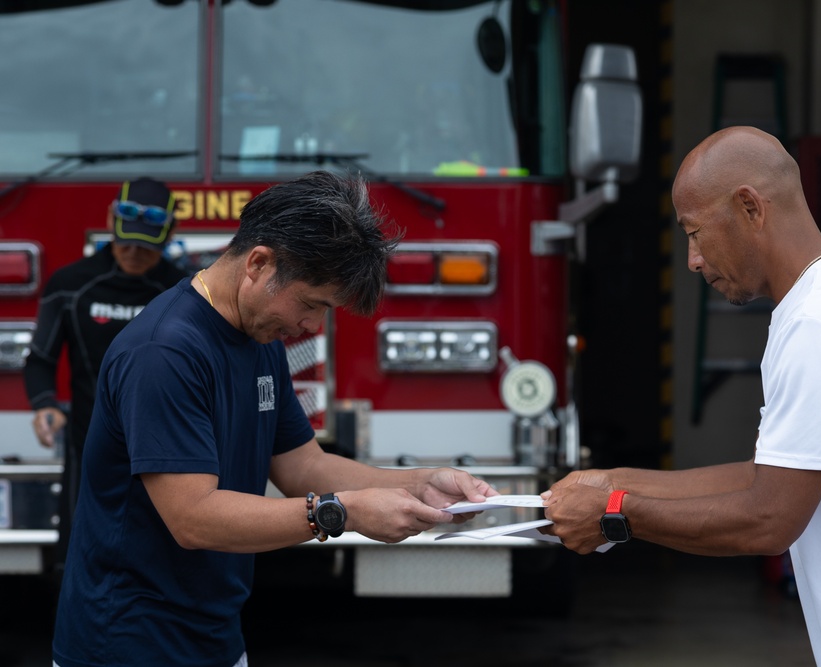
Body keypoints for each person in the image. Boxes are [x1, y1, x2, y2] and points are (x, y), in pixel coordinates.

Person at [542, 126, 821, 666]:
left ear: (750, 208)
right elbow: (773, 475)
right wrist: (613, 481)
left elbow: (769, 518)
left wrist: (615, 513)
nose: (692, 259)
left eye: (695, 233)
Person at [51, 170, 495, 667]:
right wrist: (342, 512)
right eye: (311, 304)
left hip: (214, 636)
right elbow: (193, 519)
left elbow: (302, 467)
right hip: (127, 645)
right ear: (259, 263)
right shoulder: (165, 351)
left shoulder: (257, 336)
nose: (312, 326)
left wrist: (421, 484)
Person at [23, 176, 188, 572]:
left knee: (162, 560)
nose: (133, 253)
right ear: (111, 225)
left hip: (164, 444)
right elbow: (40, 358)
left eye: (145, 245)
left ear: (167, 240)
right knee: (80, 561)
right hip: (88, 443)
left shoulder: (181, 291)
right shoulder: (72, 284)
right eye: (125, 240)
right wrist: (45, 404)